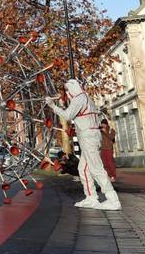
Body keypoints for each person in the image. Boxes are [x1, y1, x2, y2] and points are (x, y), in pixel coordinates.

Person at [46, 79, 121, 210]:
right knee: (84, 169)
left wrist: (53, 106)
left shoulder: (79, 99)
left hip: (88, 137)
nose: (67, 93)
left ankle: (112, 199)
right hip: (91, 136)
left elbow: (68, 115)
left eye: (68, 90)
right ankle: (91, 197)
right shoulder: (85, 98)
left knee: (96, 167)